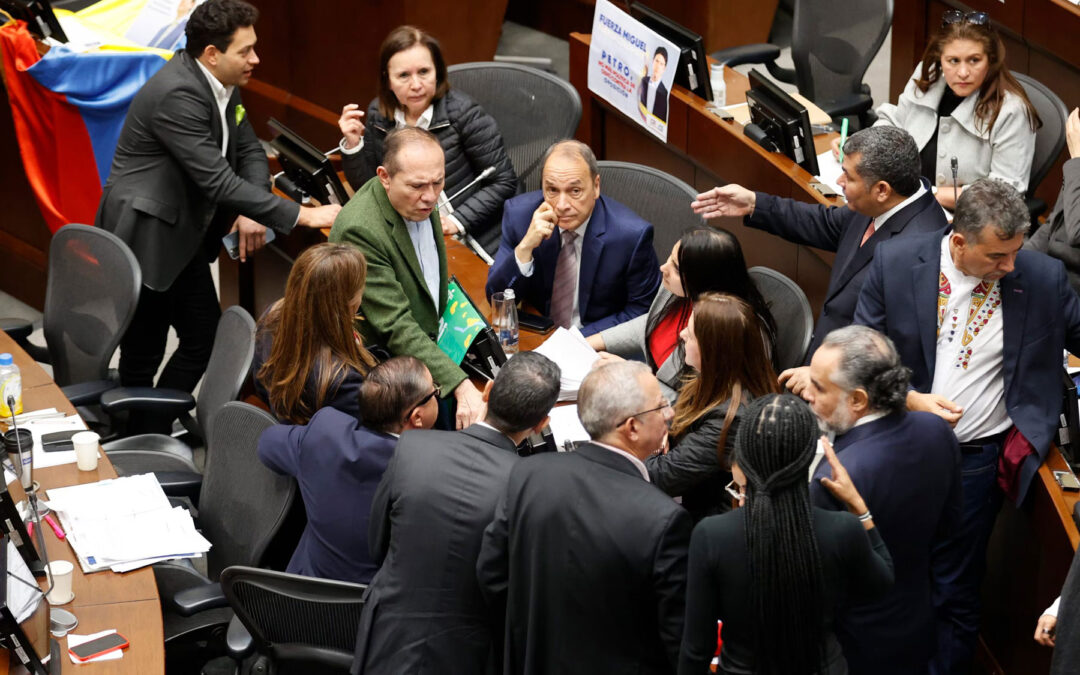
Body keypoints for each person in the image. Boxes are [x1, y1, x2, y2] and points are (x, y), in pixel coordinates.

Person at [853, 178, 1080, 674]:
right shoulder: (895, 262)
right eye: (998, 256)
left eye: (1016, 252)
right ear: (958, 241)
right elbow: (860, 354)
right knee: (886, 569)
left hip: (975, 460)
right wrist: (909, 399)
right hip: (899, 444)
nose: (1010, 266)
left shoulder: (1041, 278)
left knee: (954, 586)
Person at [96, 0, 340, 401]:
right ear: (212, 54)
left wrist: (252, 206)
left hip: (185, 234)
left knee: (203, 337)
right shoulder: (178, 93)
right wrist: (303, 216)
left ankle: (155, 418)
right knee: (145, 350)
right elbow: (219, 182)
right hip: (148, 235)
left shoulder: (224, 83)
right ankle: (133, 433)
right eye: (246, 51)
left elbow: (250, 152)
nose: (256, 59)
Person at [351, 352, 560, 675]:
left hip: (386, 638)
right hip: (467, 653)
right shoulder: (530, 489)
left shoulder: (411, 447)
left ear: (486, 391)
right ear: (540, 424)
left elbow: (377, 545)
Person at [477, 361, 690, 674]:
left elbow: (492, 576)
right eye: (660, 406)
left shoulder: (529, 474)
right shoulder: (665, 520)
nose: (669, 413)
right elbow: (676, 638)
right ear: (631, 427)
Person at [693, 126, 947, 383]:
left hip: (846, 386)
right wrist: (754, 204)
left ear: (882, 189)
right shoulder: (879, 204)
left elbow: (892, 349)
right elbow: (825, 223)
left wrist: (824, 375)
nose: (839, 182)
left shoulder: (919, 249)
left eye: (848, 176)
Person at [679, 394, 895, 675]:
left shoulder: (711, 535)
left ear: (744, 456)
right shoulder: (843, 529)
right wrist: (859, 508)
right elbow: (881, 582)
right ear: (808, 458)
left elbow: (697, 648)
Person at [805, 326, 962, 675]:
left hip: (854, 645)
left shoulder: (834, 479)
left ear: (858, 399)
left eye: (818, 387)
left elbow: (821, 587)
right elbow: (950, 532)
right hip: (917, 624)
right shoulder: (937, 431)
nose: (808, 396)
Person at [329, 127, 485, 429]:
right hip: (386, 377)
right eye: (417, 186)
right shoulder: (361, 230)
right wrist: (460, 385)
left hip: (429, 349)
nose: (430, 197)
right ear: (385, 177)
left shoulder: (420, 198)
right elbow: (395, 326)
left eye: (438, 182)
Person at [256, 356, 438, 585]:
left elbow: (267, 444)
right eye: (435, 392)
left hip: (299, 602)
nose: (437, 395)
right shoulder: (429, 472)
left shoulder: (325, 434)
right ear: (417, 417)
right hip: (373, 610)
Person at [337, 25, 517, 254]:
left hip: (469, 235)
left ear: (438, 72)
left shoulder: (464, 114)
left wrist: (457, 220)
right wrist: (353, 145)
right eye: (403, 75)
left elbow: (503, 181)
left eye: (424, 72)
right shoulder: (378, 115)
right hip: (409, 229)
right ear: (388, 80)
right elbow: (372, 185)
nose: (416, 85)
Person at [864, 9, 1039, 210]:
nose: (963, 72)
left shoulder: (1012, 112)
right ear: (941, 59)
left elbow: (1005, 193)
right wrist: (863, 146)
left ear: (990, 60)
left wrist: (932, 195)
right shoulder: (927, 75)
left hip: (967, 222)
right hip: (906, 202)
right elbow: (896, 121)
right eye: (953, 61)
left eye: (974, 60)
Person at [485, 140, 661, 336]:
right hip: (538, 335)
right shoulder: (520, 216)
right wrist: (525, 247)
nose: (561, 205)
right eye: (552, 190)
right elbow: (497, 300)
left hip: (596, 344)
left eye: (574, 191)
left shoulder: (631, 236)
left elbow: (643, 311)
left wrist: (575, 341)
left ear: (596, 186)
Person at [587, 227, 776, 401]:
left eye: (676, 268)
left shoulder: (730, 330)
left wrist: (633, 377)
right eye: (670, 258)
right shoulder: (677, 289)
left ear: (703, 279)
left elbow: (703, 407)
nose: (664, 268)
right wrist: (588, 342)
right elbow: (652, 321)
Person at [646, 293, 779, 522]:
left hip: (704, 523)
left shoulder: (731, 418)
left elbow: (659, 477)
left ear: (712, 349)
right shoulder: (715, 377)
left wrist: (643, 440)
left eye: (692, 334)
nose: (682, 334)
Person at [253, 243, 377, 424]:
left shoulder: (272, 315)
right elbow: (366, 436)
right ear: (347, 304)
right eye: (360, 289)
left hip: (285, 423)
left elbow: (261, 384)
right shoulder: (343, 381)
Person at [1025, 107, 1080, 294]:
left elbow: (1077, 233)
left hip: (1070, 288)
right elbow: (1052, 225)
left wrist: (1078, 161)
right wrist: (1017, 260)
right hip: (1047, 269)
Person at [640, 46, 669, 124]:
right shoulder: (644, 81)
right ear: (653, 61)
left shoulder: (664, 93)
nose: (658, 66)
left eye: (661, 64)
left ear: (664, 68)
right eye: (656, 61)